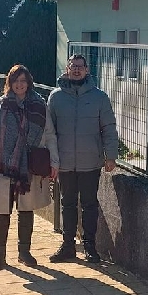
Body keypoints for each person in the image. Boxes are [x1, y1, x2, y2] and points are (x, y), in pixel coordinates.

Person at [0, 64, 59, 270]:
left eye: (23, 81)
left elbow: (50, 135)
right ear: (10, 83)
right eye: (16, 81)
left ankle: (24, 251)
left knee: (26, 208)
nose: (20, 85)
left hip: (29, 166)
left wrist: (54, 162)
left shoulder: (40, 106)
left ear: (28, 83)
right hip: (1, 165)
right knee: (2, 209)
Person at [47, 54, 118, 263]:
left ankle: (90, 246)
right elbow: (49, 131)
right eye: (73, 66)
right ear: (67, 69)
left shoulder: (99, 97)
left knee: (89, 204)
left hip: (91, 162)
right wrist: (51, 159)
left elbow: (109, 128)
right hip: (65, 162)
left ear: (87, 70)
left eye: (80, 66)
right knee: (67, 204)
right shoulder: (56, 97)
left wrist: (110, 155)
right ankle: (68, 245)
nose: (76, 69)